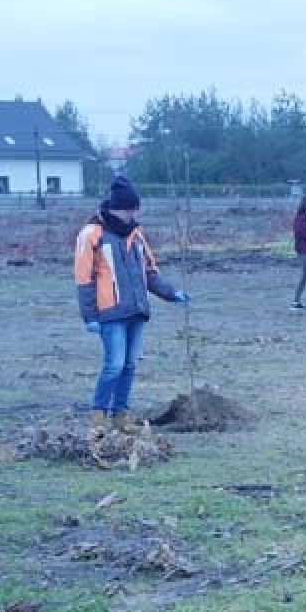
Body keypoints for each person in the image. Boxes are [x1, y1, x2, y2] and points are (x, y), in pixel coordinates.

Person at [75, 175, 189, 432]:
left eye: (134, 209)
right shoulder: (92, 234)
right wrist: (90, 316)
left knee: (129, 365)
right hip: (110, 312)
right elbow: (84, 278)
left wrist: (171, 294)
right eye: (129, 209)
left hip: (137, 310)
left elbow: (148, 271)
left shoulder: (135, 234)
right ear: (116, 208)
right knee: (113, 365)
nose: (132, 214)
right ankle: (98, 416)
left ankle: (120, 416)